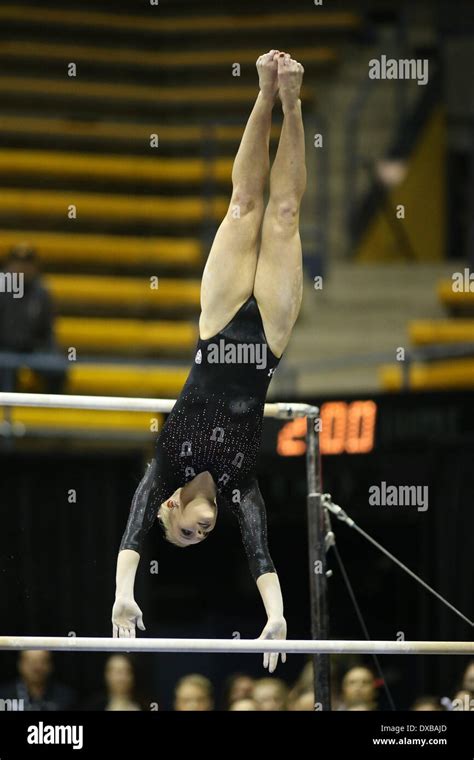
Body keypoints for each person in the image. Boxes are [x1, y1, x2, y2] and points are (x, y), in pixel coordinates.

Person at [112, 50, 306, 675]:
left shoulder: (167, 465)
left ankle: (261, 92)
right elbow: (261, 555)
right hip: (269, 339)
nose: (203, 533)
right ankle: (294, 102)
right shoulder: (238, 485)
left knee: (244, 205)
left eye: (188, 535)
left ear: (170, 508)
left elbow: (132, 535)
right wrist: (274, 616)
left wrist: (123, 596)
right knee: (283, 216)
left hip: (218, 325)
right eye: (201, 538)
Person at [0, 243, 66, 393]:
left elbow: (48, 329)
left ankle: (50, 409)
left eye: (27, 265)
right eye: (17, 264)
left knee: (56, 366)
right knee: (4, 367)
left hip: (32, 348)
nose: (22, 269)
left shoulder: (41, 293)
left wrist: (50, 351)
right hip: (3, 347)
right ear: (8, 266)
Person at [0, 650, 76, 711]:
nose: (37, 668)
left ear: (51, 665)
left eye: (43, 662)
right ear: (20, 664)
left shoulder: (65, 697)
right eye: (31, 662)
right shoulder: (4, 696)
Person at [81, 654, 148, 711]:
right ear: (106, 675)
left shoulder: (145, 705)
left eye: (126, 671)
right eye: (117, 672)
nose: (121, 678)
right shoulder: (93, 706)